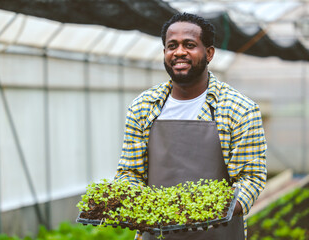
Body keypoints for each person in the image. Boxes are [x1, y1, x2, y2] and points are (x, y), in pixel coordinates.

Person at [114, 12, 267, 240]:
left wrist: (198, 211)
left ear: (209, 53)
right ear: (164, 52)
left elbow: (251, 178)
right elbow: (130, 172)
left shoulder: (239, 109)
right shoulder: (143, 107)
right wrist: (132, 200)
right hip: (157, 233)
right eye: (171, 45)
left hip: (218, 234)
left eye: (190, 45)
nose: (179, 52)